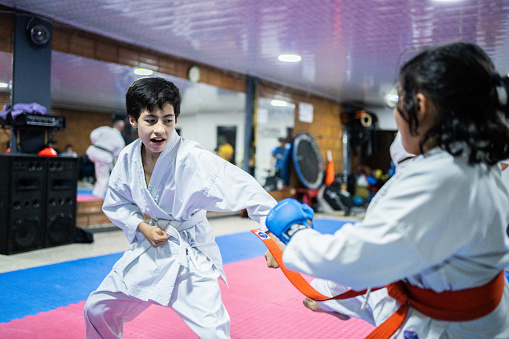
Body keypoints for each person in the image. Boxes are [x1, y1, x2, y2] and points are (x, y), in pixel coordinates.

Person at [265, 42, 509, 338]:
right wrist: (335, 300)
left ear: (420, 105)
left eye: (399, 100)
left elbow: (360, 258)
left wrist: (294, 239)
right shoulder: (476, 162)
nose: (396, 113)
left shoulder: (441, 180)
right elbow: (400, 254)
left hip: (449, 325)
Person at [83, 77, 277, 338]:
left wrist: (275, 237)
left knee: (214, 333)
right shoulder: (128, 158)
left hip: (191, 255)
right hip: (152, 248)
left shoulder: (192, 158)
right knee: (97, 309)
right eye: (150, 120)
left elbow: (249, 191)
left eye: (168, 120)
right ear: (133, 120)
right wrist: (142, 227)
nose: (160, 129)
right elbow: (117, 203)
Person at [85, 118, 126, 198]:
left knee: (99, 172)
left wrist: (97, 143)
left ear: (114, 125)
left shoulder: (105, 129)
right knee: (103, 176)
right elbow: (118, 153)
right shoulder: (120, 140)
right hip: (105, 156)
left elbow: (93, 134)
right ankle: (98, 195)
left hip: (94, 150)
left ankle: (96, 192)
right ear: (122, 129)